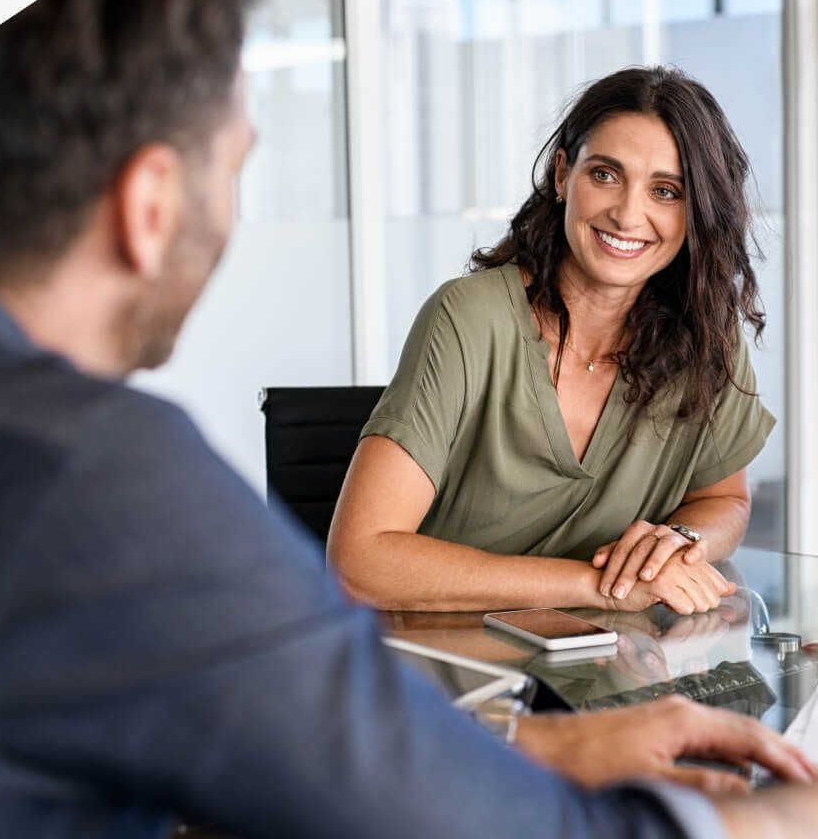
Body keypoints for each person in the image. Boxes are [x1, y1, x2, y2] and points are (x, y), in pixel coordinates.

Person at [0, 0, 816, 839]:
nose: (629, 212)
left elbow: (295, 744)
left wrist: (562, 713)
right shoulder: (107, 483)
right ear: (150, 202)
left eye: (667, 190)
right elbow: (422, 788)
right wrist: (773, 819)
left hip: (507, 714)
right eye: (237, 167)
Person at [328, 67, 774, 620]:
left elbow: (723, 498)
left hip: (611, 662)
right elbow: (359, 562)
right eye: (605, 175)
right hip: (441, 658)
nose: (627, 214)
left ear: (697, 210)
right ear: (563, 175)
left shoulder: (707, 335)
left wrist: (678, 543)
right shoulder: (468, 319)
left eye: (666, 191)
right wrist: (598, 585)